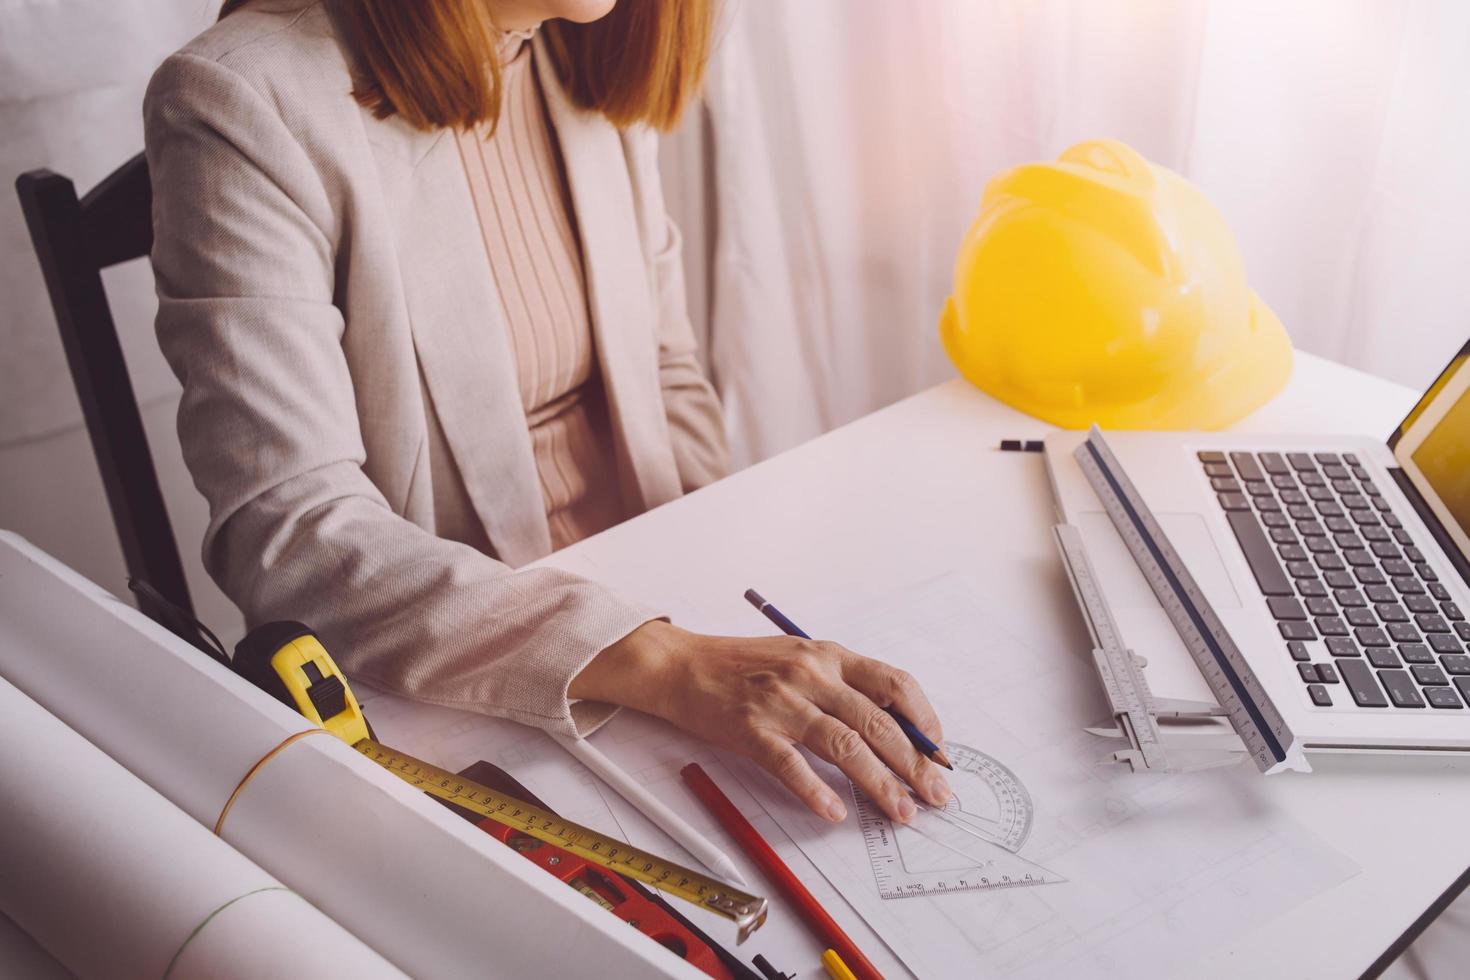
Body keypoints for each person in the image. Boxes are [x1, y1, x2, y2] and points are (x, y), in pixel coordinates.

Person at [146, 0, 951, 824]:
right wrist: (667, 661)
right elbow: (291, 535)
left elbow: (667, 373)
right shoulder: (240, 99)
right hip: (466, 693)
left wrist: (738, 594)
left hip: (670, 637)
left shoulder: (575, 42)